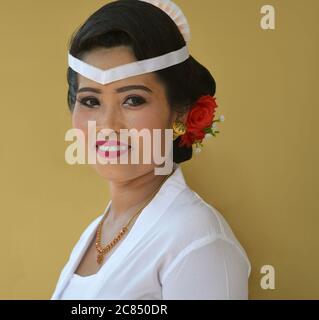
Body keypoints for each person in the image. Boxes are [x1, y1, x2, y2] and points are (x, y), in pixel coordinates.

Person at [52, 0, 251, 300]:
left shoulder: (198, 241)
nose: (108, 126)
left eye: (133, 100)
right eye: (91, 101)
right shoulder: (96, 231)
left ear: (180, 113)